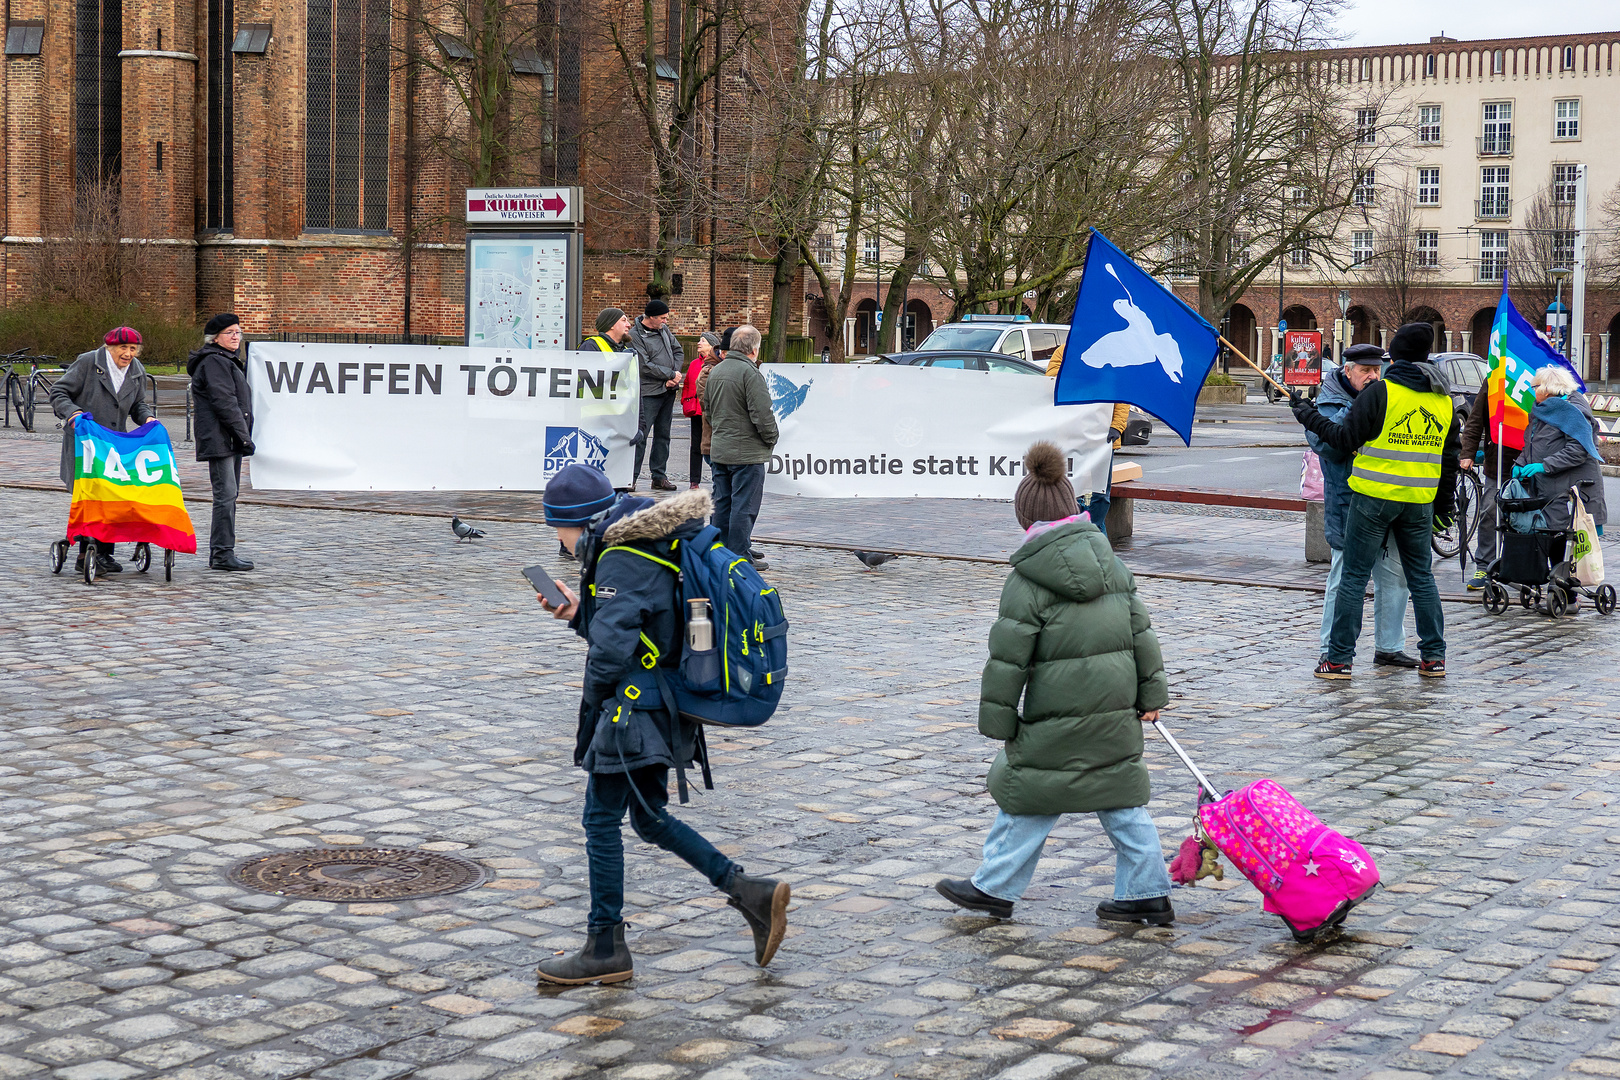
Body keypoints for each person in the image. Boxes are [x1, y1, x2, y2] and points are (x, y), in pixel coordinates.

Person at [533, 463, 789, 985]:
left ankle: (605, 946)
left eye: (556, 528)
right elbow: (640, 626)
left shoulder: (622, 555)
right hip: (659, 703)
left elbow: (611, 650)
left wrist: (594, 707)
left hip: (632, 711)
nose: (558, 540)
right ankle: (750, 893)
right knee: (648, 819)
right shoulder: (648, 541)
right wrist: (579, 613)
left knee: (601, 821)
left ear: (575, 521)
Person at [935, 441, 1174, 925]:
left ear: (1026, 520)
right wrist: (1153, 695)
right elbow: (1141, 633)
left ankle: (994, 887)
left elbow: (1008, 658)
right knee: (1121, 798)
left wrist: (999, 720)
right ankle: (1146, 891)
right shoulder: (1112, 565)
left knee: (1029, 793)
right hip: (1113, 708)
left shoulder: (1027, 581)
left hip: (1055, 713)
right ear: (1072, 508)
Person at [1292, 323, 1460, 679]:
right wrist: (1444, 508)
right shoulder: (1443, 400)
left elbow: (1342, 437)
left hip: (1373, 498)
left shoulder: (1382, 392)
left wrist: (1307, 416)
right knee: (1421, 578)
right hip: (1418, 501)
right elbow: (1449, 461)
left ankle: (1338, 660)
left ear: (1395, 357)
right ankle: (1434, 657)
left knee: (1352, 577)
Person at [1308, 345, 1416, 668]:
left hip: (1385, 500)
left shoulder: (1386, 396)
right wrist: (1360, 409)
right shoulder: (1329, 401)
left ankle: (1389, 644)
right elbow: (1325, 444)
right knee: (1343, 578)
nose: (1373, 377)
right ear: (1347, 370)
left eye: (1377, 371)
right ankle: (1331, 645)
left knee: (1394, 576)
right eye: (1365, 371)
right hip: (1348, 502)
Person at [50, 326, 157, 574]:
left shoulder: (136, 371)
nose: (128, 354)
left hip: (112, 444)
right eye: (123, 348)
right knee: (90, 496)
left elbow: (138, 404)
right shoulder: (89, 362)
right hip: (84, 443)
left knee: (111, 495)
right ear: (110, 347)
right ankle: (85, 554)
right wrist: (73, 413)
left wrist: (148, 419)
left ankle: (106, 554)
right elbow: (59, 391)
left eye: (133, 349)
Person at [701, 325, 778, 570]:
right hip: (746, 452)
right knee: (744, 505)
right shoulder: (750, 373)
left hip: (721, 448)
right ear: (754, 349)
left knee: (722, 503)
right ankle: (739, 554)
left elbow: (708, 411)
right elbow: (762, 414)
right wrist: (771, 438)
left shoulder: (717, 371)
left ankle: (719, 550)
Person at [188, 314, 255, 571]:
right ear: (215, 338)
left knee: (230, 494)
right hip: (221, 438)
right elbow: (225, 402)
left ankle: (224, 550)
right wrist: (243, 436)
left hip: (229, 437)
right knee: (226, 495)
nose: (236, 337)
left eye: (238, 332)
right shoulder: (215, 361)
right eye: (230, 333)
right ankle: (221, 553)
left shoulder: (227, 360)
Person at [1511, 365, 1606, 543]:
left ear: (1548, 389)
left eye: (1535, 387)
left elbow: (1578, 450)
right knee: (1553, 540)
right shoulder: (1544, 409)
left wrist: (1544, 466)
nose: (1533, 391)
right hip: (1551, 489)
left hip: (1572, 490)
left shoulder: (1572, 411)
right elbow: (1533, 443)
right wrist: (1521, 462)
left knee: (1572, 548)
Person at [1046, 343, 1126, 526]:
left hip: (1103, 438)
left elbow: (1122, 392)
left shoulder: (1113, 354)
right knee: (1070, 489)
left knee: (1102, 495)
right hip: (1071, 435)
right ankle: (1077, 527)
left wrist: (1117, 426)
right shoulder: (1065, 350)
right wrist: (1078, 369)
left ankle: (1092, 529)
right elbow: (1049, 382)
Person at [629, 299, 685, 492]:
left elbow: (678, 351)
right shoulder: (635, 335)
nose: (666, 320)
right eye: (662, 317)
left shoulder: (664, 330)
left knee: (663, 436)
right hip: (649, 392)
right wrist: (669, 375)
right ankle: (632, 478)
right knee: (641, 436)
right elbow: (643, 365)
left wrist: (675, 375)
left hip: (668, 391)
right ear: (651, 317)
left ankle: (659, 477)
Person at [1459, 372, 1508, 589]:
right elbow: (1475, 420)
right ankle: (1484, 564)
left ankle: (1524, 567)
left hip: (1529, 463)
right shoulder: (1494, 380)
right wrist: (1467, 453)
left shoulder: (1536, 379)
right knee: (1489, 512)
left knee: (1528, 519)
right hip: (1497, 463)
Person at [681, 331, 721, 489]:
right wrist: (685, 400)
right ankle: (694, 481)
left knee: (712, 445)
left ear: (711, 345)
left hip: (710, 412)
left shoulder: (716, 364)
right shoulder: (693, 364)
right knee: (695, 446)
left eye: (703, 341)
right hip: (696, 412)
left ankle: (717, 477)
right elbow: (688, 385)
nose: (699, 343)